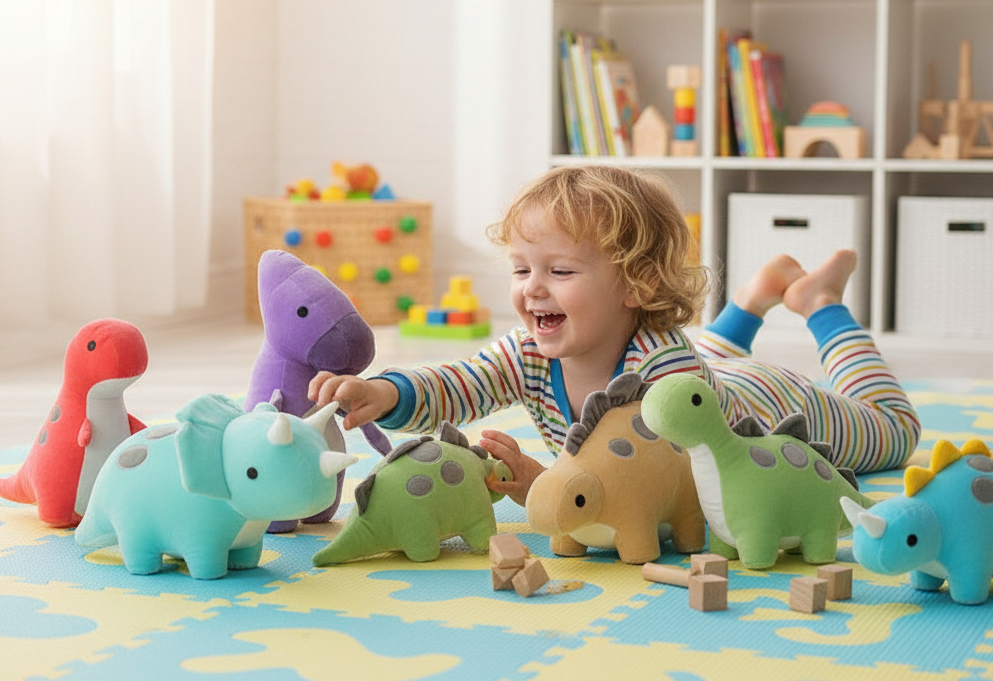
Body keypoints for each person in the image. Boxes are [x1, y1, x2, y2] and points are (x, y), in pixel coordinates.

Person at [309, 165, 920, 505]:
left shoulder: (667, 368)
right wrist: (386, 394)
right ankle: (754, 300)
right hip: (705, 374)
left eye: (561, 271)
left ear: (636, 284)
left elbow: (670, 490)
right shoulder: (528, 350)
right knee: (693, 360)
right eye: (522, 269)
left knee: (896, 429)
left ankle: (820, 304)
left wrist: (544, 483)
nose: (533, 289)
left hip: (772, 408)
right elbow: (459, 382)